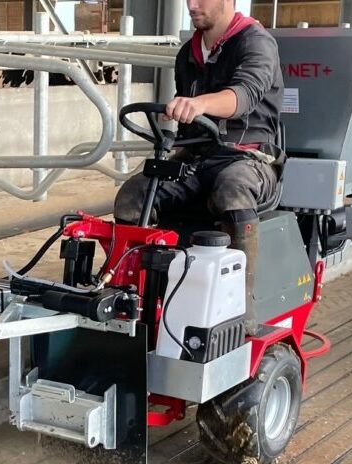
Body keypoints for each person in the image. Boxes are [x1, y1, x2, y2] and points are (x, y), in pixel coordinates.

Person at [114, 0, 284, 335]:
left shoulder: (256, 43)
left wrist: (199, 104)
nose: (192, 5)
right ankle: (133, 296)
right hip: (197, 158)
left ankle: (239, 307)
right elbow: (184, 118)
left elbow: (244, 95)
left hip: (249, 159)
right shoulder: (188, 54)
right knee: (134, 195)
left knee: (232, 188)